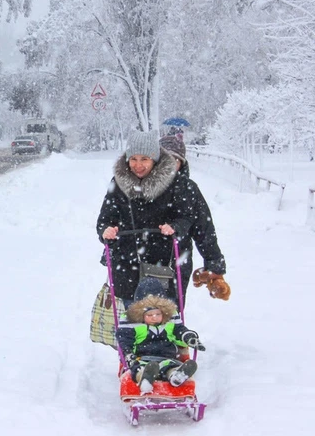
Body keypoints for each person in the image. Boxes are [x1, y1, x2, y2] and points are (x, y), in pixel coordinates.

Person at [96, 130, 194, 303]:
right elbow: (105, 218)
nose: (138, 165)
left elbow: (186, 217)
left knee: (161, 321)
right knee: (131, 324)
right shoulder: (118, 183)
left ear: (154, 159)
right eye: (133, 159)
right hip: (126, 263)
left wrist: (175, 227)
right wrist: (106, 230)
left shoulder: (175, 183)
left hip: (162, 263)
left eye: (144, 159)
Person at [158, 135, 231, 301]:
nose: (169, 165)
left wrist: (214, 267)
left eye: (175, 160)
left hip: (177, 260)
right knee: (138, 314)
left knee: (171, 314)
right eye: (165, 159)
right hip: (142, 260)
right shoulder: (142, 186)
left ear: (181, 164)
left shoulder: (189, 190)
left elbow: (204, 230)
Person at [115, 292, 205, 394]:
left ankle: (176, 376)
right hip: (142, 359)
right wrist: (128, 354)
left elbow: (180, 331)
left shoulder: (169, 325)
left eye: (158, 314)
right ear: (141, 315)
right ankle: (144, 379)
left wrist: (189, 337)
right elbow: (125, 340)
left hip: (166, 358)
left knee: (170, 367)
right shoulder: (136, 327)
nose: (154, 317)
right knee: (139, 368)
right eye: (150, 315)